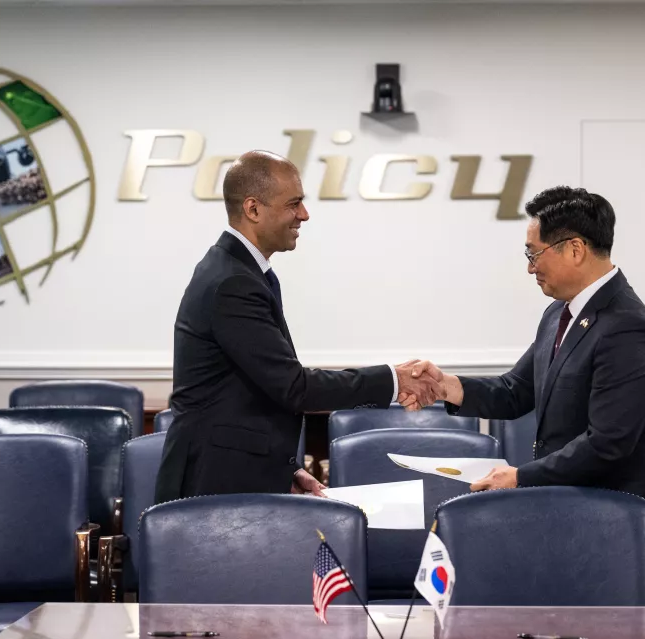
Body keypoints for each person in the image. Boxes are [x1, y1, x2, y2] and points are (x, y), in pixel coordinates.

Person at [401, 186, 645, 571]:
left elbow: (608, 444)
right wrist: (446, 385)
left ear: (575, 249)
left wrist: (520, 477)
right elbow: (515, 391)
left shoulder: (627, 327)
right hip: (568, 513)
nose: (530, 267)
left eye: (534, 254)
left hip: (615, 526)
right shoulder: (559, 315)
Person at [154, 150, 441, 503]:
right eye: (294, 204)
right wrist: (394, 380)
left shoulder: (238, 271)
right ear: (253, 209)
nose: (304, 215)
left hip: (230, 475)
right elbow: (293, 387)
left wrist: (280, 469)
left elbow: (246, 395)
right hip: (211, 486)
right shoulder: (233, 282)